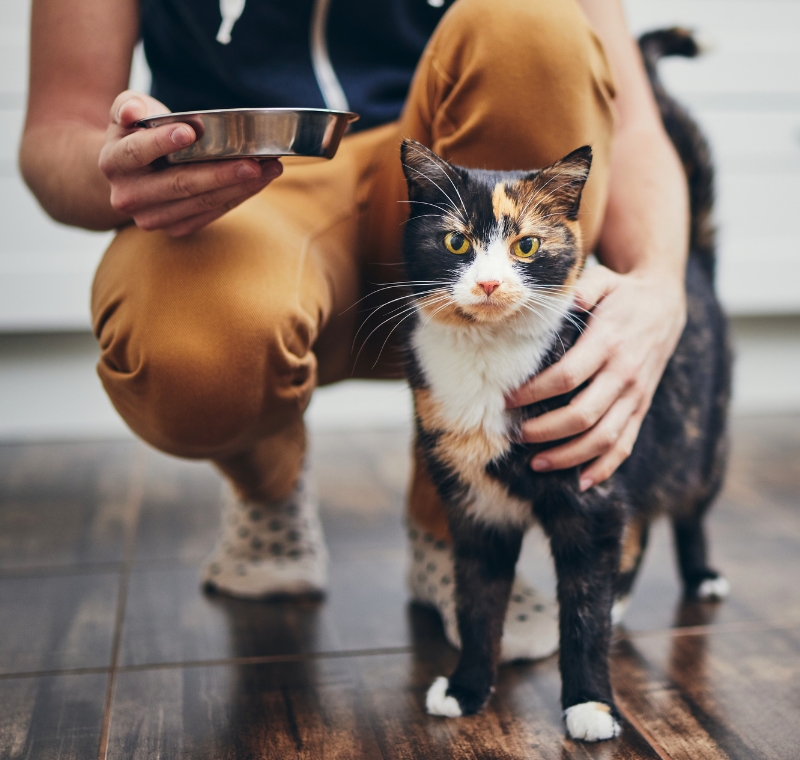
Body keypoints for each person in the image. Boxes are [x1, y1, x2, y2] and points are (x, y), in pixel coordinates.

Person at [21, 0, 688, 659]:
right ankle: (268, 485)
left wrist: (660, 284)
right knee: (191, 361)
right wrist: (121, 166)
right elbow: (59, 130)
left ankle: (456, 525)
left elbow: (629, 124)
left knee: (533, 21)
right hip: (241, 183)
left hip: (455, 172)